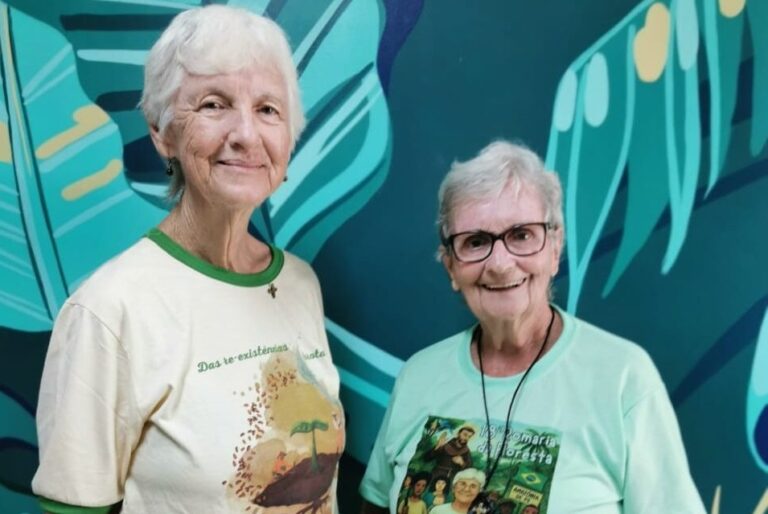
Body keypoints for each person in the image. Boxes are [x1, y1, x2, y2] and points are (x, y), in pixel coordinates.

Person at [32, 6, 343, 514]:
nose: (246, 134)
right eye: (215, 104)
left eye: (268, 109)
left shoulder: (299, 283)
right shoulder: (109, 311)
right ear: (162, 132)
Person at [359, 141, 706, 513]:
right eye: (475, 242)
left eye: (521, 235)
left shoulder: (623, 378)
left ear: (554, 248)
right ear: (450, 267)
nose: (500, 263)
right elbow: (377, 505)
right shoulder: (418, 376)